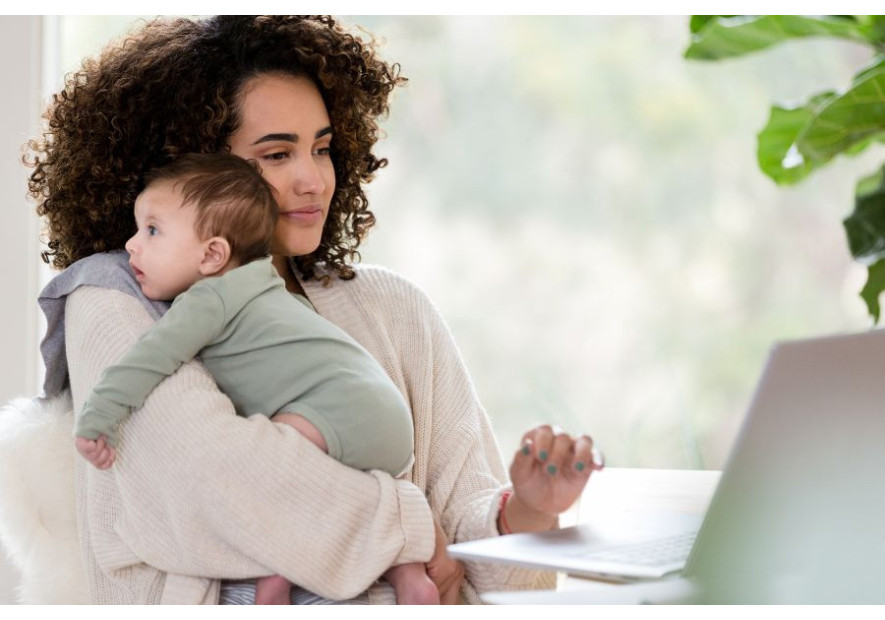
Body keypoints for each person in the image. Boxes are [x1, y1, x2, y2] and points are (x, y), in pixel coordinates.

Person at [28, 15, 603, 604]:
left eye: (321, 148)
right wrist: (410, 522)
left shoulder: (395, 308)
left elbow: (476, 574)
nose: (313, 180)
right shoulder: (113, 297)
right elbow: (225, 490)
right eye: (276, 155)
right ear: (196, 175)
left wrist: (528, 514)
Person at [73, 152, 438, 604]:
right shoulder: (269, 287)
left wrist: (98, 417)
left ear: (212, 255)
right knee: (334, 481)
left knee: (271, 476)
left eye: (152, 230)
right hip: (386, 418)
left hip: (336, 410)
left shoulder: (208, 300)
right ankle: (410, 573)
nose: (131, 245)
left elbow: (148, 359)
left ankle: (275, 577)